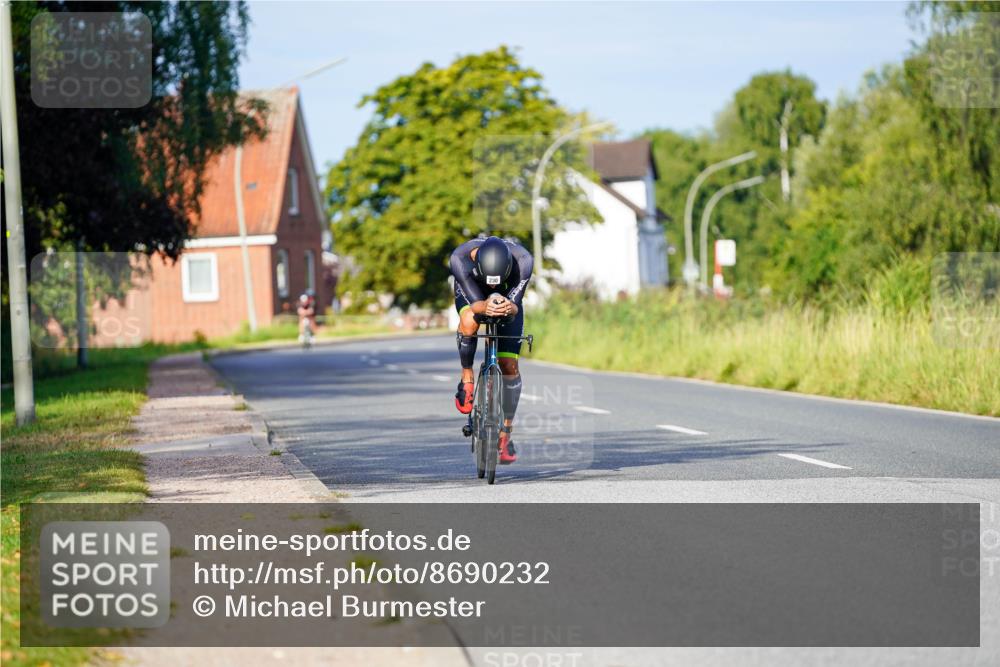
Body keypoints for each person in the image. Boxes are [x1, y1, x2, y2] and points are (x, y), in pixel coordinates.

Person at [449, 235, 533, 464]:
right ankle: (466, 376)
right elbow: (476, 306)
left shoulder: (524, 261)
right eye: (491, 280)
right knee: (469, 321)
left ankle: (505, 433)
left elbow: (515, 304)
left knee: (509, 366)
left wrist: (510, 307)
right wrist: (485, 305)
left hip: (509, 297)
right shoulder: (460, 259)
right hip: (473, 291)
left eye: (498, 280)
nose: (493, 285)